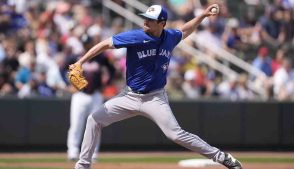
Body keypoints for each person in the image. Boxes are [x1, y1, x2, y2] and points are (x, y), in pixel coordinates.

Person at [70, 4, 243, 169]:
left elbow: (185, 29)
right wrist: (80, 61)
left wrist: (203, 16)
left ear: (162, 23)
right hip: (128, 96)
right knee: (94, 120)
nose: (145, 21)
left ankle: (221, 157)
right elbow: (105, 44)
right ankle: (83, 165)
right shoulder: (136, 36)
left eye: (150, 19)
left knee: (175, 134)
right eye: (145, 17)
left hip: (155, 98)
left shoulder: (169, 37)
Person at [67, 53, 115, 161]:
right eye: (85, 44)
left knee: (95, 125)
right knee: (76, 125)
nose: (87, 46)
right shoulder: (76, 57)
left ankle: (93, 153)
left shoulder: (100, 57)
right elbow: (63, 69)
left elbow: (112, 70)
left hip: (95, 95)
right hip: (79, 95)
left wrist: (106, 83)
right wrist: (69, 84)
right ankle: (72, 152)